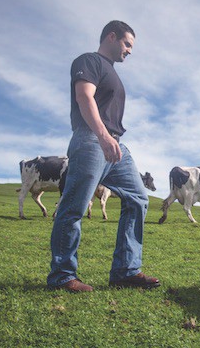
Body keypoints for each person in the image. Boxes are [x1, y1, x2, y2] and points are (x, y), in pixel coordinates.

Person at [48, 20, 159, 292]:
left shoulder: (113, 73)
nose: (130, 51)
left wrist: (111, 139)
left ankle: (125, 271)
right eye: (127, 44)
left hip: (117, 145)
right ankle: (63, 276)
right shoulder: (89, 61)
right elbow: (84, 97)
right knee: (74, 205)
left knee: (138, 198)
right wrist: (102, 135)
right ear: (111, 36)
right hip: (92, 139)